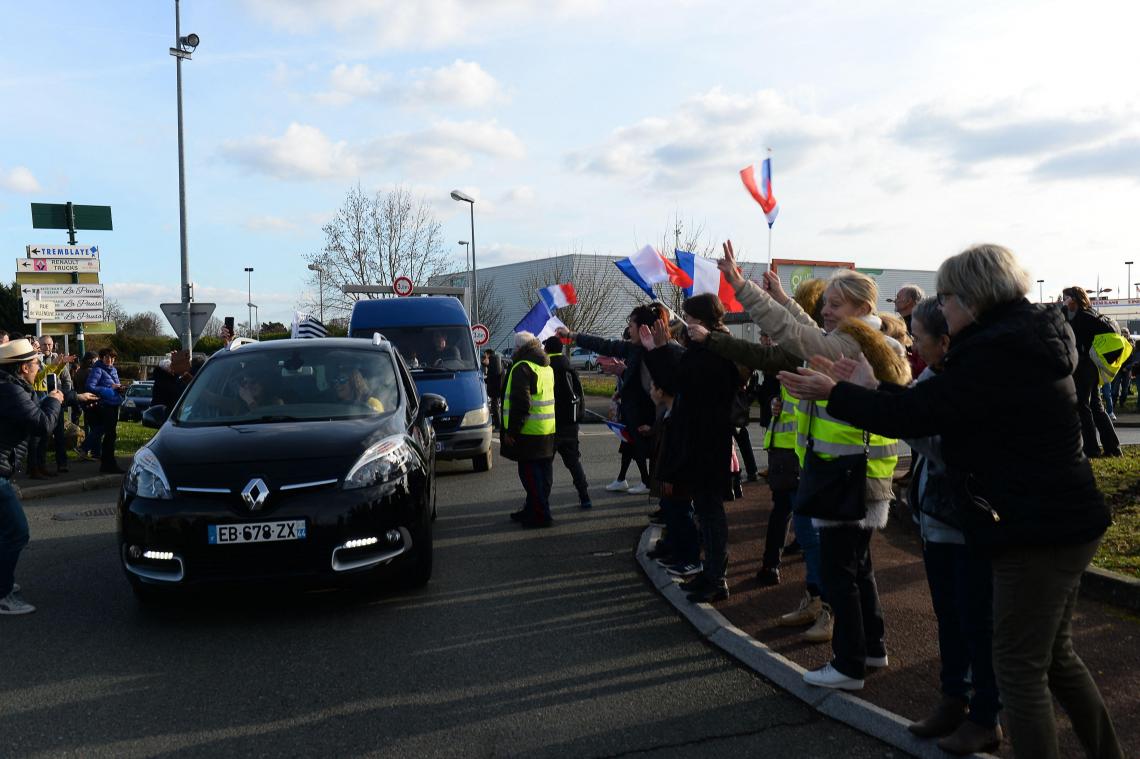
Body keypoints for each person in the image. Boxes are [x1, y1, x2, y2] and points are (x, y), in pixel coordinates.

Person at [780, 245, 1121, 759]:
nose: (942, 308)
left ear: (974, 298)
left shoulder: (992, 352)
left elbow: (924, 416)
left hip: (1035, 527)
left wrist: (839, 393)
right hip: (1059, 518)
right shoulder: (1018, 339)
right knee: (1053, 656)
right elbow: (930, 408)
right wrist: (868, 388)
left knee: (1018, 667)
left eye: (948, 297)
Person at [713, 241, 910, 687]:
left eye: (834, 305)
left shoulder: (852, 341)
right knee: (858, 568)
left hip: (845, 474)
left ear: (861, 307)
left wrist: (743, 287)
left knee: (841, 573)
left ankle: (848, 665)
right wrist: (782, 298)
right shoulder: (869, 337)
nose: (825, 311)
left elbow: (796, 336)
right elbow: (809, 331)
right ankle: (871, 648)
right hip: (865, 475)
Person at [893, 298, 1003, 754]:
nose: (913, 344)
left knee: (976, 620)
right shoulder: (932, 375)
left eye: (919, 337)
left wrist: (900, 415)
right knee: (948, 617)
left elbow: (946, 445)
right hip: (936, 518)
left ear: (945, 341)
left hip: (967, 520)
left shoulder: (968, 381)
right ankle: (952, 699)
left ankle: (986, 715)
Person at [641, 294, 742, 603]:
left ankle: (715, 577)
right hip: (702, 439)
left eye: (690, 318)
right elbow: (680, 377)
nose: (686, 325)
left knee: (710, 512)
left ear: (702, 320)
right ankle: (710, 572)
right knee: (706, 510)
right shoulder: (706, 348)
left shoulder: (715, 349)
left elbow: (679, 381)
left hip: (708, 441)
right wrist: (659, 351)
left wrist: (660, 351)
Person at [0, 339, 65, 615]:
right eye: (36, 363)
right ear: (24, 367)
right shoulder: (10, 391)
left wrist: (71, 398)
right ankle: (2, 595)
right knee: (17, 532)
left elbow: (37, 407)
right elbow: (42, 424)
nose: (39, 366)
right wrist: (54, 400)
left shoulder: (11, 388)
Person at [566, 308, 660, 495]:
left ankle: (665, 508)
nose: (629, 330)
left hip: (649, 419)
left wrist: (655, 425)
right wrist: (573, 335)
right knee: (637, 450)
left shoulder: (659, 353)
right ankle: (640, 485)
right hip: (634, 416)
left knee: (659, 460)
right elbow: (604, 345)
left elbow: (662, 390)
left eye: (631, 325)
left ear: (643, 328)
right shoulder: (633, 348)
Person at [501, 331, 557, 528]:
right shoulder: (546, 366)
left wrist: (512, 432)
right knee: (543, 473)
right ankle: (533, 508)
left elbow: (521, 404)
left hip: (528, 431)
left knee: (530, 475)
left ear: (519, 348)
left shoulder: (522, 367)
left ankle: (541, 514)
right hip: (547, 429)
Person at [1062, 286, 1123, 457]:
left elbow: (1070, 335)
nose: (1064, 301)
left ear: (1074, 298)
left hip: (1084, 365)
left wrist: (1064, 309)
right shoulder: (1091, 313)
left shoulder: (1081, 317)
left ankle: (1091, 449)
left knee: (1083, 406)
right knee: (1096, 406)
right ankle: (1113, 447)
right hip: (1091, 366)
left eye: (1065, 297)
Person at [542, 336, 591, 510]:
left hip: (551, 424)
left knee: (546, 464)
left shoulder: (546, 369)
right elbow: (580, 394)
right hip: (570, 423)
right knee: (574, 462)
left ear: (547, 349)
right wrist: (579, 416)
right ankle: (585, 496)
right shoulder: (570, 368)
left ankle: (542, 502)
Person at [85, 348, 126, 474]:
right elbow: (90, 386)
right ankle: (108, 463)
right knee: (109, 435)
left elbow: (116, 384)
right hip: (105, 404)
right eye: (107, 357)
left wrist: (120, 388)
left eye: (113, 358)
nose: (110, 360)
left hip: (114, 403)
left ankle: (108, 463)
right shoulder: (98, 369)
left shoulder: (113, 370)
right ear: (102, 358)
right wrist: (109, 388)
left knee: (111, 435)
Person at [482, 348, 505, 430]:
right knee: (499, 407)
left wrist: (484, 380)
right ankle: (500, 424)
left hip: (495, 388)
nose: (484, 358)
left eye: (485, 355)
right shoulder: (498, 360)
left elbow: (492, 376)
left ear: (488, 355)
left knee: (494, 407)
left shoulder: (492, 361)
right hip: (501, 387)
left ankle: (498, 426)